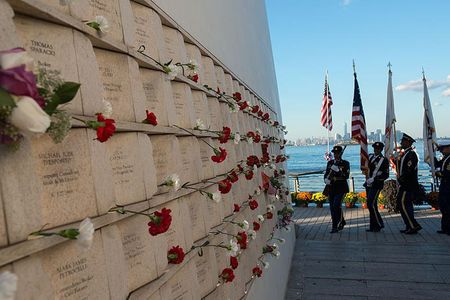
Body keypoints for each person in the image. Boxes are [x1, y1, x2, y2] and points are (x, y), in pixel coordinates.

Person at [395, 133, 422, 234]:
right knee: (405, 205)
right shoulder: (404, 154)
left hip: (408, 185)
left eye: (403, 141)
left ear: (408, 142)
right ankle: (409, 225)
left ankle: (413, 225)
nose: (401, 142)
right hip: (404, 184)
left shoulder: (411, 154)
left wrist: (402, 179)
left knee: (402, 203)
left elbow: (409, 170)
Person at [324, 145, 350, 233]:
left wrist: (339, 170)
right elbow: (327, 173)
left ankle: (338, 224)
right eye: (334, 153)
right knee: (332, 207)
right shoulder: (330, 163)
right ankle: (336, 224)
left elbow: (346, 176)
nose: (335, 155)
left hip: (341, 188)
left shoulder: (345, 163)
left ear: (340, 154)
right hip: (331, 188)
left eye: (337, 153)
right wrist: (325, 179)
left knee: (336, 205)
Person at [364, 142, 389, 232]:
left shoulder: (384, 160)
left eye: (378, 149)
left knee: (371, 203)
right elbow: (365, 166)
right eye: (375, 149)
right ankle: (373, 226)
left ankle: (379, 223)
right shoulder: (369, 156)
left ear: (381, 150)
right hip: (368, 183)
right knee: (371, 205)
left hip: (377, 184)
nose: (376, 150)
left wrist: (375, 179)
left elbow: (386, 175)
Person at [435, 141, 450, 235]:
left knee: (448, 207)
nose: (441, 151)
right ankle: (445, 227)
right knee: (443, 207)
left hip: (448, 186)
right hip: (444, 185)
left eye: (442, 149)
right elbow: (438, 165)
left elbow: (448, 173)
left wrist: (439, 173)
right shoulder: (445, 158)